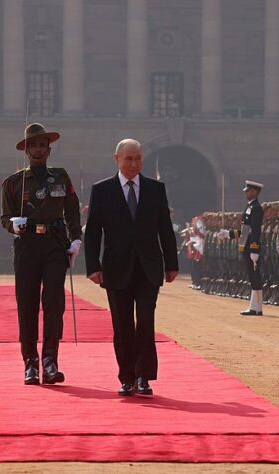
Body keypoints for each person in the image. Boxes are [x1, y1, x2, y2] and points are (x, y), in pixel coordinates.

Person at [84, 138, 179, 397]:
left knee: (146, 322)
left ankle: (143, 376)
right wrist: (93, 267)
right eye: (129, 159)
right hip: (116, 268)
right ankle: (127, 377)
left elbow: (165, 228)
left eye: (138, 159)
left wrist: (171, 264)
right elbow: (93, 232)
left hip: (148, 267)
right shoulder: (102, 190)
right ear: (117, 159)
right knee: (123, 325)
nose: (134, 164)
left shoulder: (155, 189)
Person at [0, 123, 82, 386]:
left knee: (54, 302)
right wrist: (13, 225)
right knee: (27, 304)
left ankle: (50, 361)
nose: (38, 149)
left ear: (49, 149)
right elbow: (4, 217)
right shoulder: (14, 183)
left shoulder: (60, 177)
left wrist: (76, 238)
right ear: (26, 150)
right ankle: (30, 362)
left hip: (55, 243)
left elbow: (72, 210)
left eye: (42, 145)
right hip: (27, 245)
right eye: (33, 145)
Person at [217, 181, 265, 315]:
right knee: (252, 276)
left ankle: (256, 308)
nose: (246, 193)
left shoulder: (256, 208)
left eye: (248, 191)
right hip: (246, 245)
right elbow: (245, 231)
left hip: (251, 247)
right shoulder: (250, 207)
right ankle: (255, 307)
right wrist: (229, 234)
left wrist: (254, 249)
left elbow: (255, 231)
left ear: (254, 192)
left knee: (255, 276)